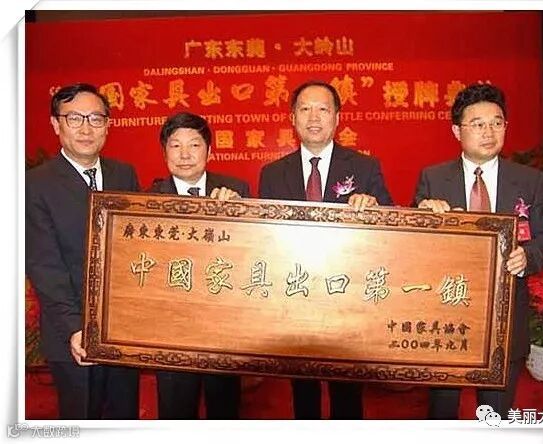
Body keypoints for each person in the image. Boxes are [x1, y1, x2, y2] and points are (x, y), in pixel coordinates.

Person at [413, 83, 543, 419]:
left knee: (495, 414)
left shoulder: (530, 180)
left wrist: (528, 258)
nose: (489, 132)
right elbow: (415, 248)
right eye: (478, 124)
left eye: (497, 122)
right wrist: (424, 215)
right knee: (442, 412)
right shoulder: (433, 179)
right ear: (457, 131)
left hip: (506, 318)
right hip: (447, 315)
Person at [259, 80, 393, 419]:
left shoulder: (364, 167)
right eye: (305, 109)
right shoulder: (273, 174)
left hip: (348, 295)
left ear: (337, 118)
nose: (314, 117)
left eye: (323, 109)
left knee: (347, 392)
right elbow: (264, 239)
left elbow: (390, 227)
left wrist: (374, 209)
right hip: (295, 294)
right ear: (293, 118)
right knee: (303, 392)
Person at [26, 83, 140, 419]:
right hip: (72, 335)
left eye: (95, 118)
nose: (86, 128)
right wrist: (76, 328)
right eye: (74, 118)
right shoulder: (35, 184)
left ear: (108, 125)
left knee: (123, 420)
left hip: (123, 332)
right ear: (55, 124)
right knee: (82, 422)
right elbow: (44, 266)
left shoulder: (124, 173)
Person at [150, 112, 249, 419]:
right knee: (176, 413)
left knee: (225, 412)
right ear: (164, 152)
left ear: (209, 151)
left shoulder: (236, 191)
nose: (184, 154)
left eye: (194, 145)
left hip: (222, 329)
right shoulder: (148, 199)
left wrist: (238, 214)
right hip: (171, 330)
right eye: (175, 145)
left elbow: (251, 253)